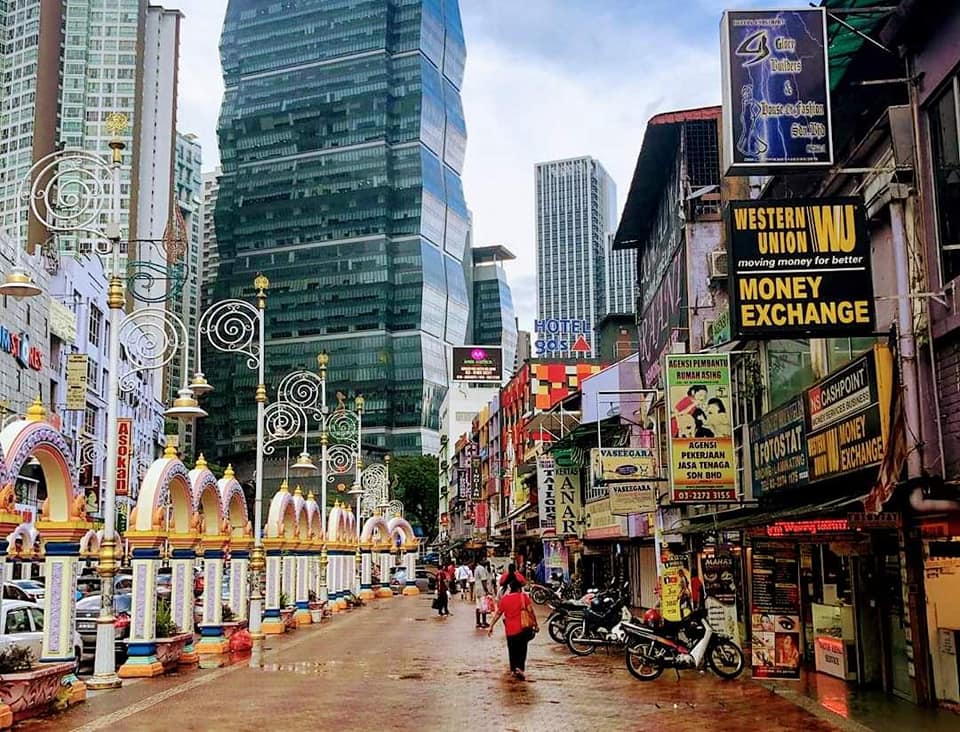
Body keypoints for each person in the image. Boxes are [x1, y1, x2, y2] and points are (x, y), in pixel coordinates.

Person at [487, 578, 538, 680]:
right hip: (523, 629)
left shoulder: (505, 599)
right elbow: (530, 611)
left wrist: (491, 626)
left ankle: (514, 670)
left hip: (510, 630)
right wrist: (535, 624)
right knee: (522, 649)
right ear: (519, 588)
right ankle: (520, 668)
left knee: (512, 650)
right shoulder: (523, 597)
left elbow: (498, 614)